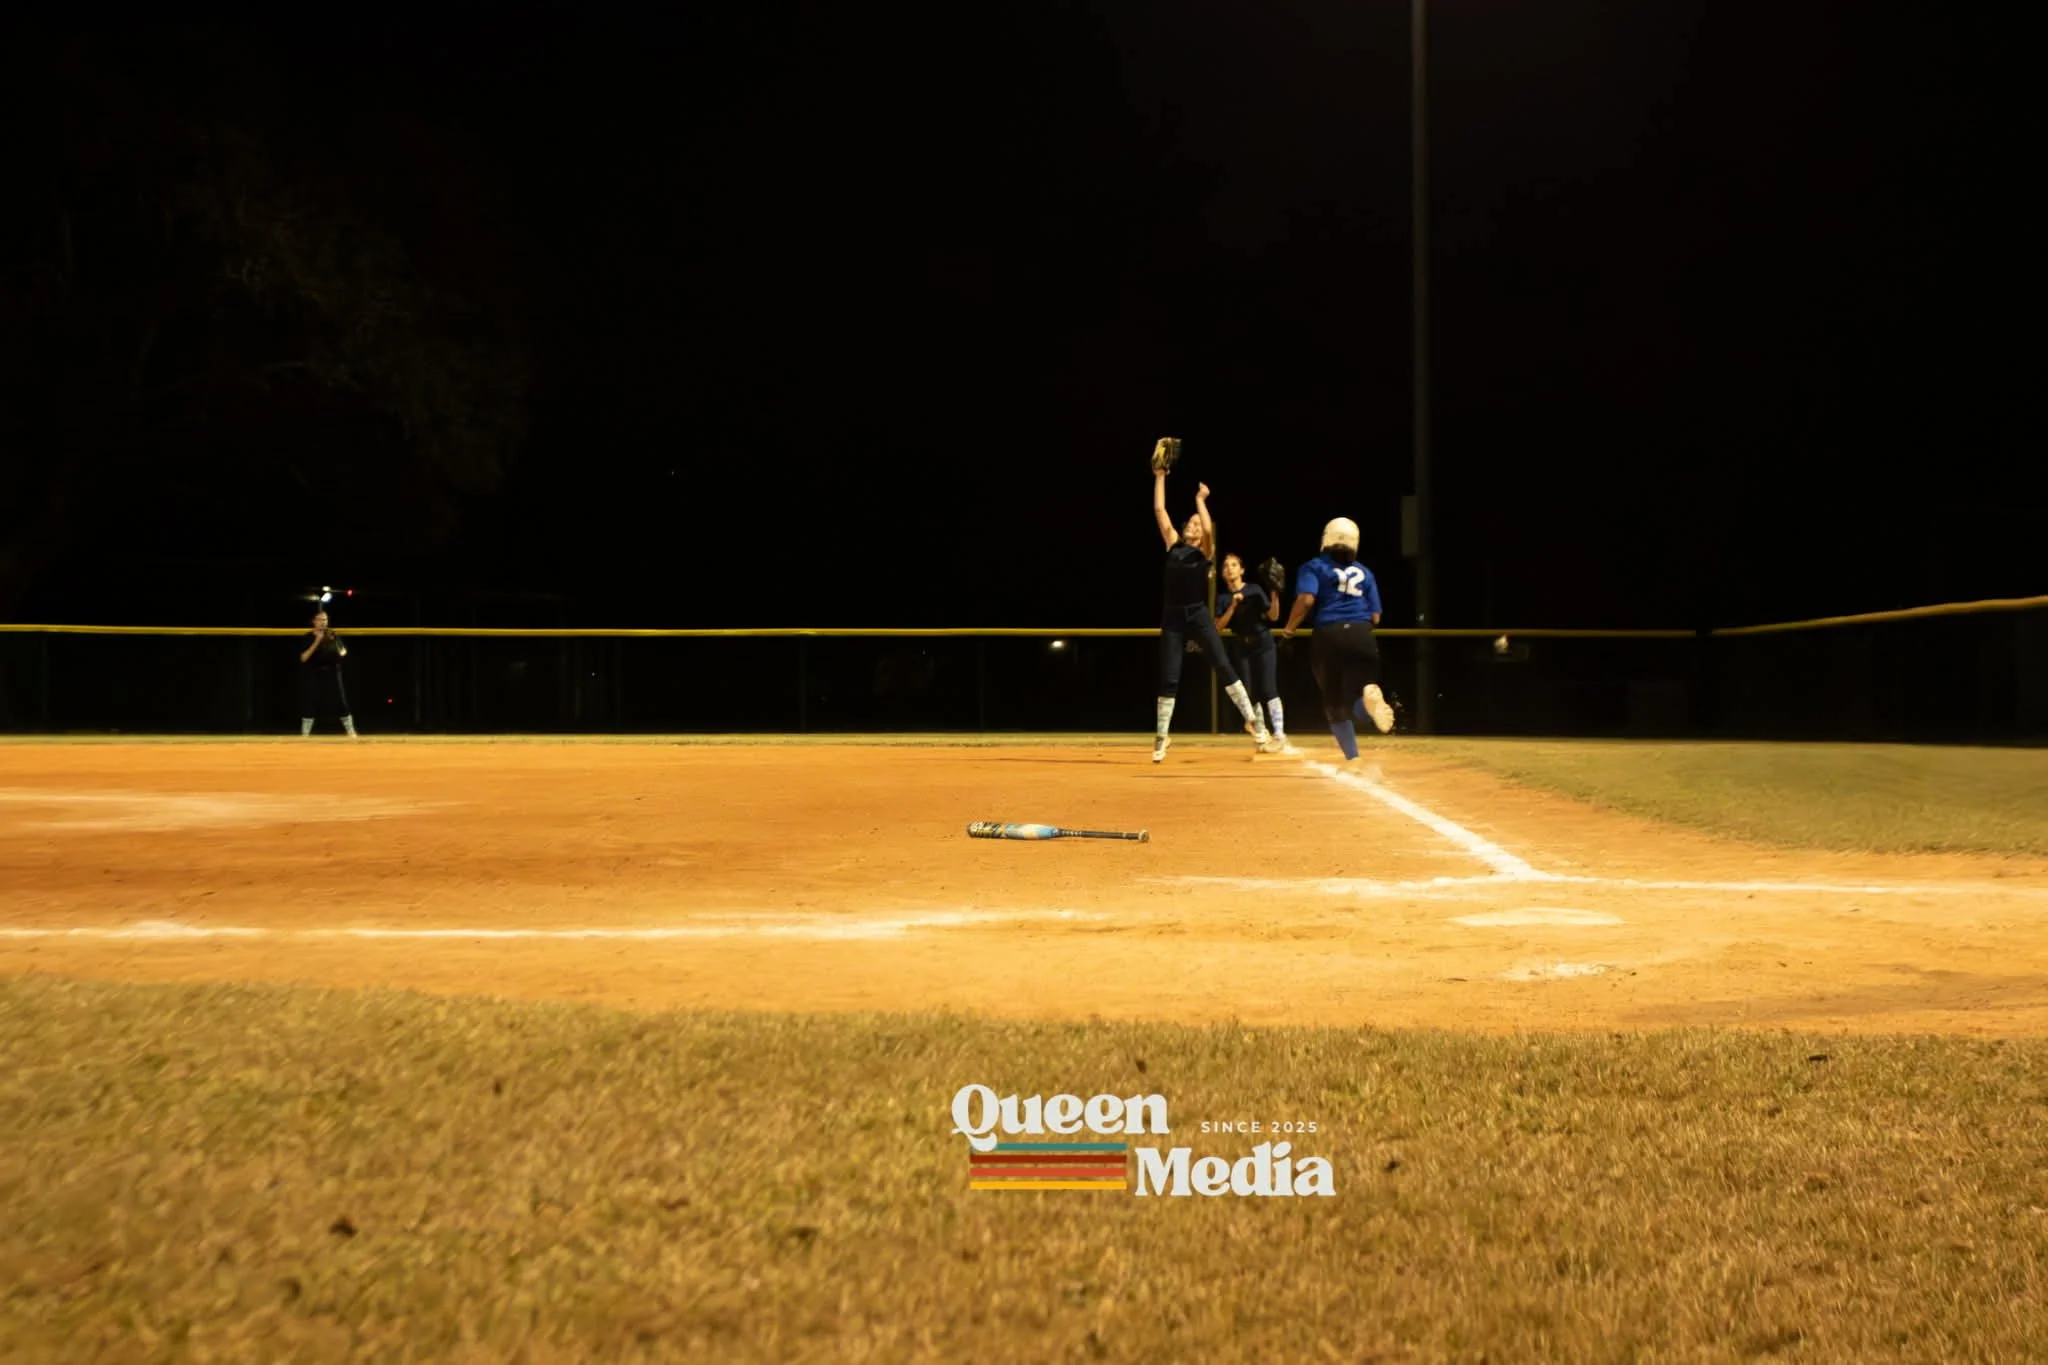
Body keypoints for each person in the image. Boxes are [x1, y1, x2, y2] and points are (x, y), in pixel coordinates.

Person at [1152, 454, 1279, 762]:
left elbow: (1209, 530)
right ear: (1184, 529)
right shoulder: (1173, 544)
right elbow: (1159, 509)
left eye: (1197, 523)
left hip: (1197, 614)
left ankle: (1254, 724)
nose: (1195, 525)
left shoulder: (1205, 552)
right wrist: (1160, 475)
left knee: (1223, 666)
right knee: (1170, 675)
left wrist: (1200, 501)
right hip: (1172, 617)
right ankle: (1161, 738)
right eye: (1191, 523)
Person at [1281, 517, 1394, 761]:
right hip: (1362, 636)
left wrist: (1289, 629)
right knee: (1357, 696)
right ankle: (1367, 703)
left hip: (1329, 635)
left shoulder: (1314, 566)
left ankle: (1353, 757)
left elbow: (1306, 600)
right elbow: (1375, 616)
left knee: (1333, 703)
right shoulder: (1365, 572)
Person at [1214, 552, 1290, 750]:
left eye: (1233, 565)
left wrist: (1274, 594)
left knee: (1269, 688)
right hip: (1242, 647)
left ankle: (1280, 734)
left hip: (1263, 644)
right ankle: (1261, 735)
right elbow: (1217, 628)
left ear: (1242, 570)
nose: (1229, 568)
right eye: (1225, 566)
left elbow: (1273, 616)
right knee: (1249, 693)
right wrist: (1232, 607)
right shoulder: (1222, 599)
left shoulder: (1255, 590)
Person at [298, 609, 358, 738]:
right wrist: (317, 641)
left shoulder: (333, 635)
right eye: (320, 620)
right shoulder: (308, 636)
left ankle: (351, 732)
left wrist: (334, 643)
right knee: (310, 702)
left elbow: (343, 652)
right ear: (314, 621)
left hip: (332, 671)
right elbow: (303, 658)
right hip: (314, 671)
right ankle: (305, 735)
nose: (322, 623)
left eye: (325, 620)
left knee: (341, 701)